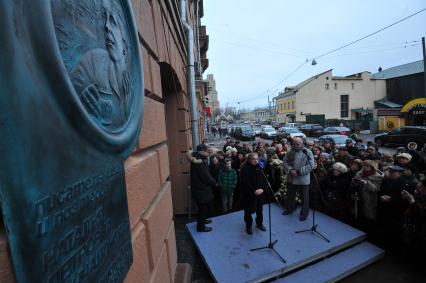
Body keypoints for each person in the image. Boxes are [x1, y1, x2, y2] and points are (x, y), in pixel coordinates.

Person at [282, 137, 315, 221]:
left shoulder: (308, 152)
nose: (295, 145)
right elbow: (285, 162)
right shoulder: (290, 151)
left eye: (297, 144)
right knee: (290, 196)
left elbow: (310, 165)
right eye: (294, 144)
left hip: (302, 180)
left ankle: (304, 213)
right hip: (291, 178)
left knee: (304, 198)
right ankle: (290, 209)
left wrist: (299, 172)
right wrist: (290, 169)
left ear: (302, 143)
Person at [189, 144, 217, 232]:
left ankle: (203, 220)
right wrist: (215, 182)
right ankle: (200, 227)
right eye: (206, 150)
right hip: (201, 190)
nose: (208, 152)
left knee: (204, 208)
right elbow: (206, 177)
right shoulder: (199, 163)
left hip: (201, 189)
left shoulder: (199, 159)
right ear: (201, 151)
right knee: (202, 208)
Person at [240, 153, 267, 235]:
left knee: (260, 210)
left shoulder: (261, 167)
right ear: (249, 159)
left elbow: (265, 179)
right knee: (248, 212)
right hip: (249, 195)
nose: (256, 160)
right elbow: (245, 183)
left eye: (257, 159)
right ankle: (248, 227)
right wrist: (254, 191)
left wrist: (262, 189)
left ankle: (259, 224)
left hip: (260, 194)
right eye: (253, 159)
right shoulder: (245, 169)